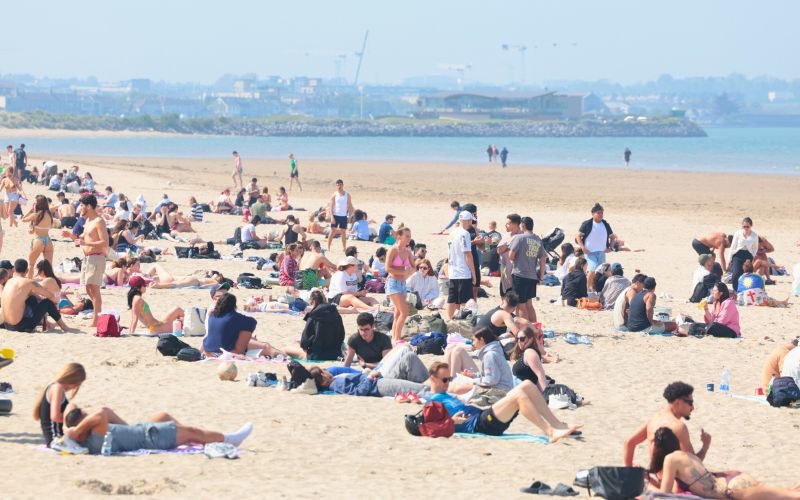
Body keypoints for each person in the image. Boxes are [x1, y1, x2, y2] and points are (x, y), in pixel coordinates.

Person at [426, 362, 582, 441]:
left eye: (449, 378)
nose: (448, 382)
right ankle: (550, 432)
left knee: (526, 385)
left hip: (483, 416)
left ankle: (557, 424)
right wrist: (451, 421)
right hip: (479, 425)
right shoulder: (432, 402)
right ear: (433, 379)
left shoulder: (446, 395)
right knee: (520, 396)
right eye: (445, 379)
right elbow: (428, 427)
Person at [650, 426, 800, 499]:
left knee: (789, 497)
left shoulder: (670, 459)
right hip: (731, 479)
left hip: (730, 489)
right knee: (784, 493)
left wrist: (647, 486)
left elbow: (665, 494)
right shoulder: (685, 455)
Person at [65, 406, 253, 455]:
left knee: (162, 415)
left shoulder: (91, 435)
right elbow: (102, 412)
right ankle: (230, 439)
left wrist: (72, 429)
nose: (88, 414)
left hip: (139, 431)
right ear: (81, 422)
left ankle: (192, 438)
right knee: (191, 431)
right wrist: (76, 429)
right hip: (150, 437)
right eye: (84, 414)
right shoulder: (94, 433)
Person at [623, 381, 711, 467]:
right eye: (690, 403)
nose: (692, 407)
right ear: (678, 403)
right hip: (670, 479)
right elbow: (693, 464)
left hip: (654, 476)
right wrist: (705, 446)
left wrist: (629, 470)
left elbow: (629, 442)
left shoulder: (655, 419)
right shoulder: (678, 427)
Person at [1, 259, 74, 332]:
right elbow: (51, 296)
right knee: (47, 302)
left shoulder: (8, 282)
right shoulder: (29, 282)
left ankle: (47, 323)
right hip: (19, 327)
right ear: (27, 271)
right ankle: (64, 327)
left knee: (31, 299)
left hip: (7, 325)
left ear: (14, 269)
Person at [202, 293, 281, 358]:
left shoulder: (212, 316)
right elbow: (252, 322)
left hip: (208, 351)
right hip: (228, 352)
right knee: (265, 346)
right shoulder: (233, 317)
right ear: (233, 305)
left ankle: (282, 353)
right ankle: (284, 356)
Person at [442, 327, 514, 395]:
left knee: (456, 389)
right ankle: (447, 382)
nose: (472, 343)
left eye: (474, 340)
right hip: (497, 386)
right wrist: (472, 375)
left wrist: (472, 381)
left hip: (499, 391)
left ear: (481, 340)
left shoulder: (490, 355)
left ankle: (450, 384)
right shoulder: (492, 350)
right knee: (450, 348)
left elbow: (491, 380)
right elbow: (488, 375)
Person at [33, 362, 87, 446]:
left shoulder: (55, 387)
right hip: (57, 438)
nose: (76, 387)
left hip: (57, 437)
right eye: (78, 384)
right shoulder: (57, 388)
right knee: (72, 407)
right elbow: (55, 417)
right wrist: (72, 416)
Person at [286, 290, 346, 361]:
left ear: (313, 301)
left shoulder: (313, 316)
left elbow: (305, 342)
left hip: (318, 355)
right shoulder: (336, 315)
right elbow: (341, 335)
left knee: (287, 349)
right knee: (297, 341)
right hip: (336, 354)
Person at [77, 194, 108, 327]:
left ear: (89, 206)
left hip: (96, 257)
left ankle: (96, 321)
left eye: (82, 206)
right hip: (88, 258)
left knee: (94, 289)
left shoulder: (98, 221)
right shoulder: (88, 221)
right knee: (89, 288)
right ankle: (97, 315)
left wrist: (87, 244)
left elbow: (105, 242)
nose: (80, 208)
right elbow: (85, 239)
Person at [509, 216, 546, 322]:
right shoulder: (537, 239)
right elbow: (543, 259)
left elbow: (511, 256)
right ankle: (535, 328)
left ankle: (524, 329)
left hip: (520, 275)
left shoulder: (519, 238)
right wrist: (541, 277)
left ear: (523, 225)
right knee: (529, 305)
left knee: (521, 305)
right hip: (532, 276)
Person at [576, 203, 616, 292]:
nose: (601, 215)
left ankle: (596, 288)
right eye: (598, 213)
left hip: (601, 252)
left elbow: (612, 236)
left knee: (601, 271)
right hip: (589, 252)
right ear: (592, 214)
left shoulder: (605, 224)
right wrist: (583, 247)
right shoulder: (587, 224)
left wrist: (611, 247)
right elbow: (578, 236)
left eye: (602, 213)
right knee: (593, 268)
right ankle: (587, 288)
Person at [386, 227, 415, 342]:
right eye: (407, 236)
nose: (409, 238)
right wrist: (403, 272)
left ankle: (394, 337)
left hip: (403, 283)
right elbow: (387, 268)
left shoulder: (408, 251)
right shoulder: (393, 250)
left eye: (410, 236)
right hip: (393, 283)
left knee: (398, 313)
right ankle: (397, 338)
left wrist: (410, 271)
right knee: (404, 312)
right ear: (399, 236)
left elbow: (413, 266)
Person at [446, 211, 476, 319]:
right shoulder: (465, 233)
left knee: (452, 299)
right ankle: (462, 321)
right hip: (463, 271)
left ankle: (450, 321)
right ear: (468, 221)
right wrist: (473, 273)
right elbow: (468, 254)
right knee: (465, 301)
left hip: (453, 270)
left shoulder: (452, 233)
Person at [22, 195, 55, 277]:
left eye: (35, 202)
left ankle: (30, 282)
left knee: (31, 264)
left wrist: (31, 210)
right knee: (49, 266)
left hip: (38, 240)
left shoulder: (36, 215)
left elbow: (23, 219)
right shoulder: (49, 214)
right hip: (48, 241)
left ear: (38, 204)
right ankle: (51, 283)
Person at [510, 326, 549, 392]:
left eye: (522, 339)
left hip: (522, 391)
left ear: (530, 339)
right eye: (517, 339)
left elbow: (540, 375)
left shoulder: (530, 353)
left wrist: (545, 395)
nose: (519, 341)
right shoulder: (526, 352)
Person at [729, 217, 758, 296]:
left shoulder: (754, 235)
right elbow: (733, 246)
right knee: (735, 274)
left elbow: (755, 247)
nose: (745, 228)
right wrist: (729, 258)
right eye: (744, 226)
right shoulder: (738, 233)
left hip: (748, 255)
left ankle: (745, 291)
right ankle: (736, 291)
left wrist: (752, 255)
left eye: (747, 226)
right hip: (737, 254)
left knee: (746, 274)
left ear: (751, 226)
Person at [327, 179, 353, 252]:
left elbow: (349, 206)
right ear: (336, 186)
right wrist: (332, 217)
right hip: (335, 215)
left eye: (340, 185)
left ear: (343, 185)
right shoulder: (334, 195)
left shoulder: (347, 195)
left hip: (343, 216)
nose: (339, 186)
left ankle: (344, 248)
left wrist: (350, 216)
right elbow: (331, 207)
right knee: (332, 231)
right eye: (337, 185)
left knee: (343, 232)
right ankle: (328, 247)